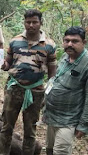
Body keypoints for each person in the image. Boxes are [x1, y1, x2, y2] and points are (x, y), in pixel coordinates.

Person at [0, 9, 57, 155]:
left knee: (30, 131)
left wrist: (47, 94)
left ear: (40, 23)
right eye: (28, 22)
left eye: (34, 22)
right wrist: (0, 64)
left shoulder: (49, 45)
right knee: (6, 128)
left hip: (35, 92)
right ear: (24, 22)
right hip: (14, 89)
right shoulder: (15, 41)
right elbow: (7, 64)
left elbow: (52, 74)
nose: (31, 25)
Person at [43, 26, 88, 155]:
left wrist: (83, 124)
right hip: (52, 115)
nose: (69, 44)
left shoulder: (86, 62)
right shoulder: (64, 57)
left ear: (83, 43)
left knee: (60, 152)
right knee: (49, 149)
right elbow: (56, 79)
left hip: (69, 119)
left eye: (74, 41)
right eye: (66, 40)